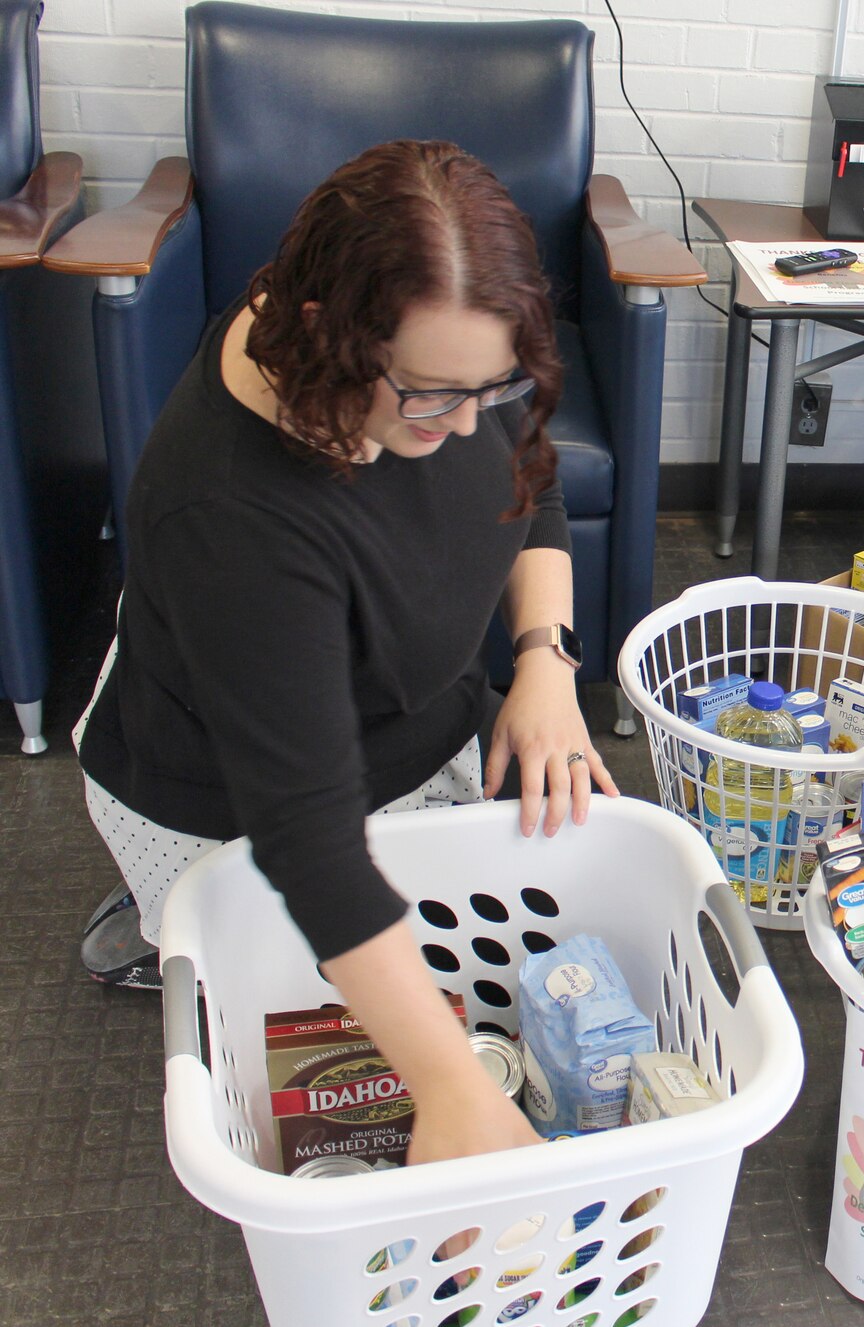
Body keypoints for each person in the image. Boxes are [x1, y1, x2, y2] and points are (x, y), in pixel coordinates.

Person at [73, 140, 617, 1164]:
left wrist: (545, 659)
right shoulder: (232, 518)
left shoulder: (434, 349)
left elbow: (526, 476)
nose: (463, 428)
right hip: (237, 800)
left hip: (410, 720)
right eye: (427, 396)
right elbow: (309, 841)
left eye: (488, 390)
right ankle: (168, 929)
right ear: (324, 335)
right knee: (316, 1028)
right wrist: (452, 1087)